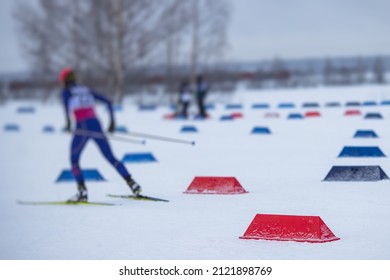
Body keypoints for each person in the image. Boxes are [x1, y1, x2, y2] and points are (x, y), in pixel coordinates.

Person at [59, 67, 142, 202]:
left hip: (82, 126)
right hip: (96, 123)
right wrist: (112, 123)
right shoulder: (86, 89)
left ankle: (82, 192)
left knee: (74, 159)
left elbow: (66, 108)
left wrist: (68, 125)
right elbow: (108, 101)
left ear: (64, 80)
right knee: (110, 157)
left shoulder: (66, 92)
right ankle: (132, 184)